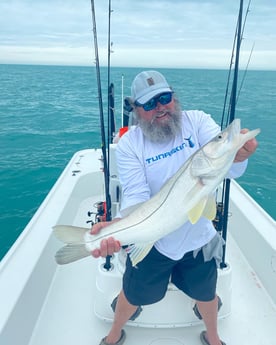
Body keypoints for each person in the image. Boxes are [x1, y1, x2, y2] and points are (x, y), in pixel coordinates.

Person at [91, 70, 258, 345]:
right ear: (135, 110)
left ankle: (214, 338)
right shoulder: (130, 144)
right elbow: (135, 196)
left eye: (164, 98)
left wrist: (238, 154)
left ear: (173, 97)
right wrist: (117, 227)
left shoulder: (198, 121)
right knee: (132, 295)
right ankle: (113, 335)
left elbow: (231, 169)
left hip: (199, 238)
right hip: (153, 241)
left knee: (207, 294)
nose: (160, 108)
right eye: (149, 104)